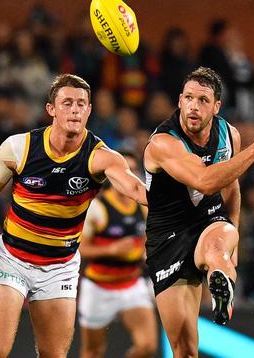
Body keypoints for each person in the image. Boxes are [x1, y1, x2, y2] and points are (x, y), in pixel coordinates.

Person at [0, 73, 148, 358]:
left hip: (60, 266)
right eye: (67, 102)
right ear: (51, 109)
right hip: (13, 258)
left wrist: (171, 206)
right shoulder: (19, 148)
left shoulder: (101, 156)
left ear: (89, 110)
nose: (75, 109)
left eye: (82, 103)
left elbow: (133, 186)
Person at [143, 67, 254, 357]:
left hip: (209, 222)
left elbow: (231, 189)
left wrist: (234, 241)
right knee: (184, 347)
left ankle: (221, 277)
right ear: (179, 100)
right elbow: (206, 182)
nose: (194, 106)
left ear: (217, 106)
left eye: (203, 100)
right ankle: (220, 273)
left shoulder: (228, 135)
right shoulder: (163, 142)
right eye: (188, 98)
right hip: (167, 237)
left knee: (216, 246)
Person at [78, 151, 157, 358]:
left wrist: (148, 251)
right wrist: (112, 249)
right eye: (123, 171)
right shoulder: (97, 207)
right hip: (98, 287)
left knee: (147, 346)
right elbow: (80, 249)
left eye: (132, 170)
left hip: (131, 283)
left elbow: (150, 240)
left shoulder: (143, 206)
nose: (127, 175)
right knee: (93, 351)